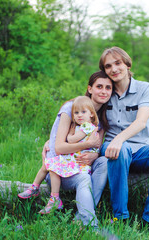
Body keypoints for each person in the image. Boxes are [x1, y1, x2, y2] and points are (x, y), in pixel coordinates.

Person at [19, 71, 113, 227]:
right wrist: (86, 145)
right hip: (59, 169)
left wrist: (95, 155)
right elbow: (60, 147)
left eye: (108, 88)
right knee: (84, 178)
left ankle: (80, 216)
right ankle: (90, 224)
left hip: (78, 165)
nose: (104, 91)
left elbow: (96, 147)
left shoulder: (100, 118)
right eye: (99, 87)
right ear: (90, 89)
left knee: (104, 162)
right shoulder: (72, 108)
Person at [98, 46, 149, 225]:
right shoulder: (104, 91)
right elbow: (82, 110)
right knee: (121, 150)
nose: (114, 69)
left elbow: (141, 122)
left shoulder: (145, 88)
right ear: (105, 71)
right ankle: (120, 217)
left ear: (127, 64)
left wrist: (119, 138)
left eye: (118, 63)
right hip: (112, 151)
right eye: (108, 66)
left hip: (140, 151)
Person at [18, 96, 101, 214]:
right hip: (73, 160)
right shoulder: (79, 126)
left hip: (79, 164)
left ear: (92, 114)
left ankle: (50, 196)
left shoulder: (87, 127)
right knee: (49, 165)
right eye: (76, 112)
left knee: (52, 165)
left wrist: (70, 134)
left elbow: (71, 140)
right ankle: (37, 189)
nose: (79, 115)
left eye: (83, 112)